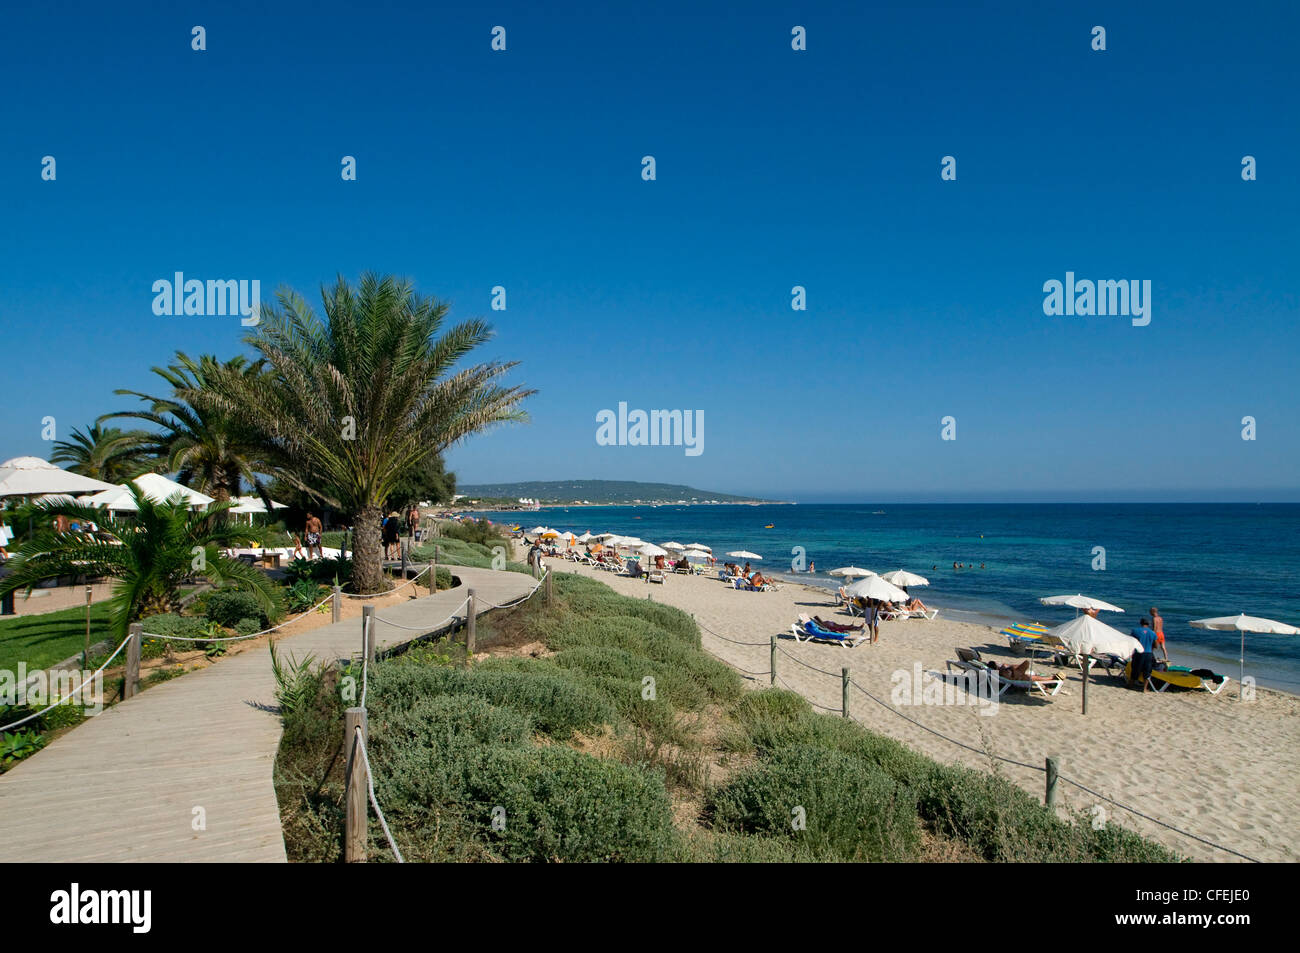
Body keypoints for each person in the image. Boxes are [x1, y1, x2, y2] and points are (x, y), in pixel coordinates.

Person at [1130, 617, 1158, 692]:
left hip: (1139, 653)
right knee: (1147, 671)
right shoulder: (1152, 633)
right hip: (1148, 654)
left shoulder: (1135, 631)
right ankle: (1144, 689)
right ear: (1148, 624)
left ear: (1141, 623)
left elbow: (1131, 642)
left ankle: (1130, 685)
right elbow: (1156, 645)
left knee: (1135, 669)